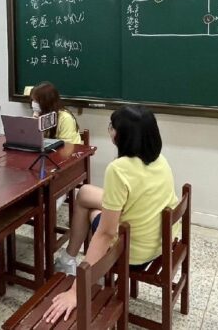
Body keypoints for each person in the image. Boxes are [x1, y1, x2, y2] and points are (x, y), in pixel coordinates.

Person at [43, 105, 178, 323]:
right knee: (84, 193)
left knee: (93, 212)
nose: (110, 131)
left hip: (133, 254)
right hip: (160, 242)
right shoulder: (159, 159)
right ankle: (68, 258)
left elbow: (106, 233)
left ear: (121, 136)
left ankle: (73, 262)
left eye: (112, 127)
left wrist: (76, 291)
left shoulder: (118, 169)